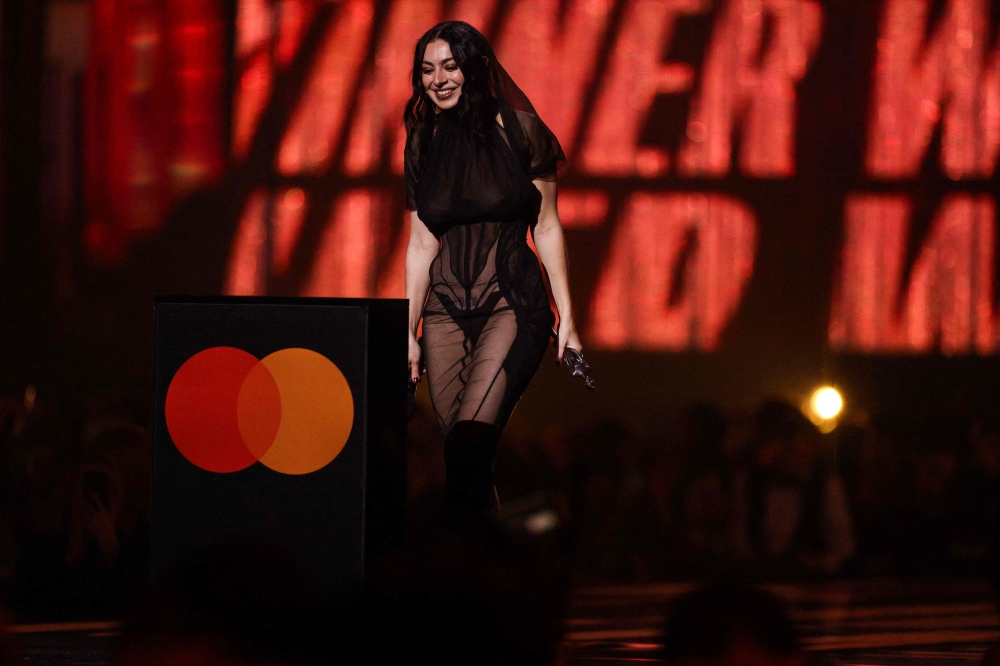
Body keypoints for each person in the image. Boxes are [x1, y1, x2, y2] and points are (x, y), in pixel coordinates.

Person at [402, 21, 581, 533]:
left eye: (449, 66)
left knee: (469, 442)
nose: (437, 79)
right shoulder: (423, 139)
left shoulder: (521, 130)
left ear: (476, 68)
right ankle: (487, 566)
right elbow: (420, 244)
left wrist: (568, 318)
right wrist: (408, 331)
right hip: (443, 313)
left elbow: (547, 225)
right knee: (464, 458)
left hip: (512, 300)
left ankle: (462, 565)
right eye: (427, 70)